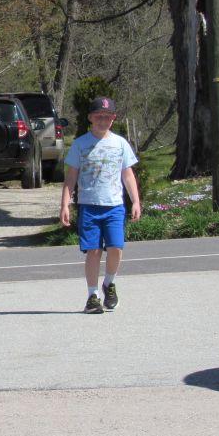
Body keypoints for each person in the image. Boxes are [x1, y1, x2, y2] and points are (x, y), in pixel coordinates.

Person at [60, 96, 141, 313]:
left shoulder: (120, 143)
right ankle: (92, 295)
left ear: (113, 119)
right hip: (89, 206)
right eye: (98, 116)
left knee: (116, 247)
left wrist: (135, 201)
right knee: (93, 251)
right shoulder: (80, 144)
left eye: (107, 117)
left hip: (114, 206)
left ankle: (109, 283)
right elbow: (71, 177)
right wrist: (65, 204)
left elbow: (128, 175)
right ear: (90, 118)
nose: (102, 120)